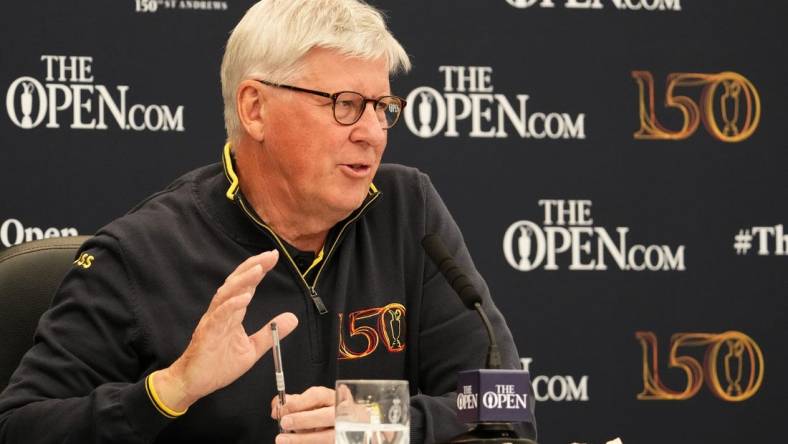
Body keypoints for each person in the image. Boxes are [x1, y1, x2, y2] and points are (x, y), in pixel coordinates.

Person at [0, 0, 526, 443]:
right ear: (255, 109)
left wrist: (376, 421)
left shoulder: (408, 208)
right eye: (346, 104)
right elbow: (20, 425)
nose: (372, 132)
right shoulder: (142, 254)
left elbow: (506, 400)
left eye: (382, 106)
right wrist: (169, 390)